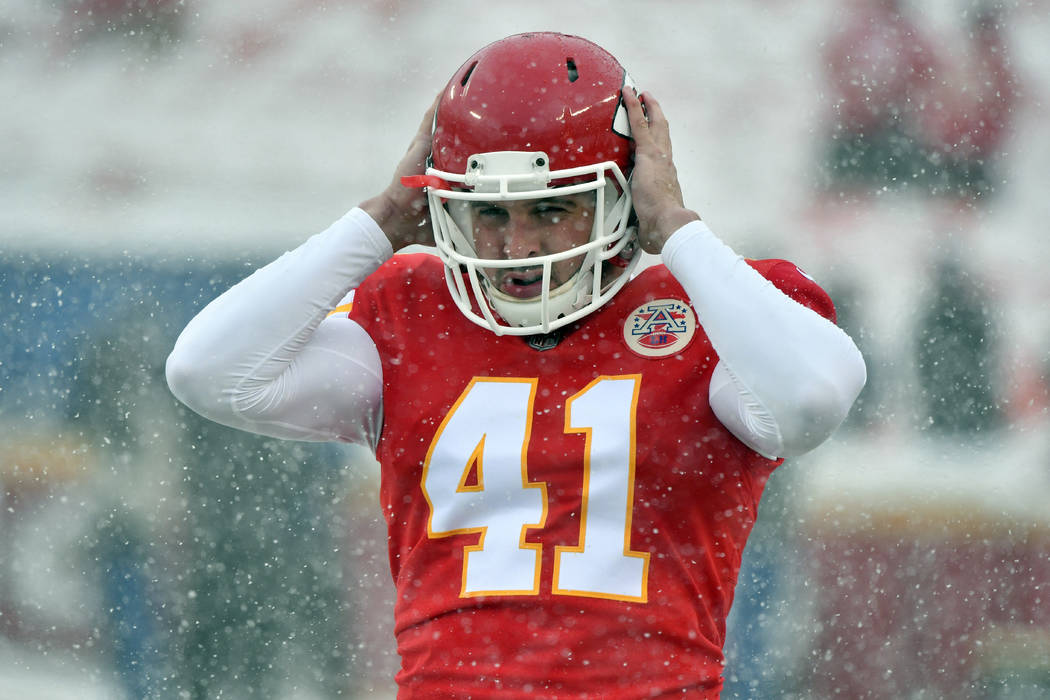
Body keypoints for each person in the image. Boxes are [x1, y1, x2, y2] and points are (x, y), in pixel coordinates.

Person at [166, 32, 866, 699]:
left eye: (551, 209)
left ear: (622, 198)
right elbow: (207, 370)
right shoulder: (412, 312)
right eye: (491, 215)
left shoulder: (709, 312)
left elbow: (808, 402)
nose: (516, 245)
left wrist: (677, 228)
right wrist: (379, 220)